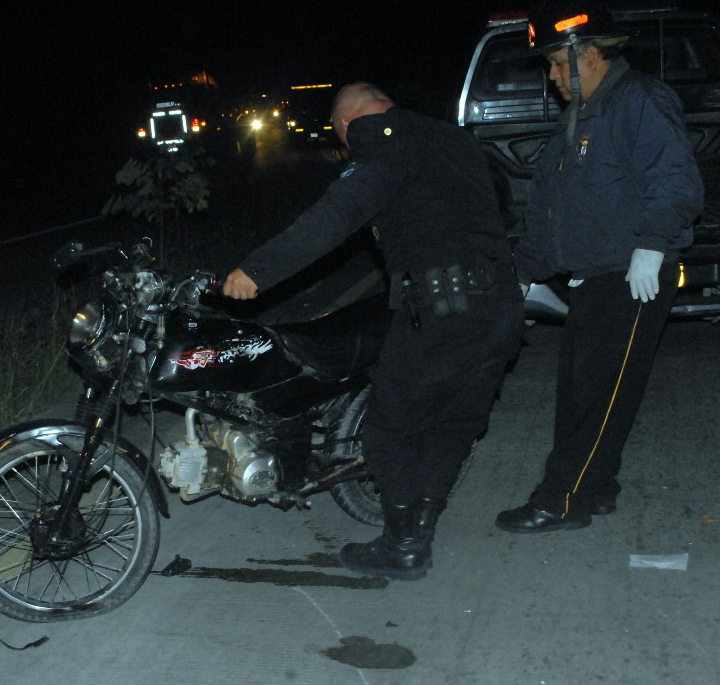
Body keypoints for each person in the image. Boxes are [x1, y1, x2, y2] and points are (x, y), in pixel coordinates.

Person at [223, 82, 523, 578]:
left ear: (346, 124)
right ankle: (419, 529)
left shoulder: (382, 139)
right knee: (451, 425)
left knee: (388, 428)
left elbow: (338, 213)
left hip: (444, 310)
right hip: (501, 310)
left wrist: (258, 270)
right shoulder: (456, 141)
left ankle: (402, 545)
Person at [493, 0, 704, 533]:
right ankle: (598, 488)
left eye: (559, 63)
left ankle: (559, 501)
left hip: (631, 275)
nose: (553, 75)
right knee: (585, 391)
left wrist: (653, 245)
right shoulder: (580, 118)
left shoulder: (639, 100)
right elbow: (549, 205)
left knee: (595, 397)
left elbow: (676, 179)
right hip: (593, 278)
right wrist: (525, 269)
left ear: (590, 56)